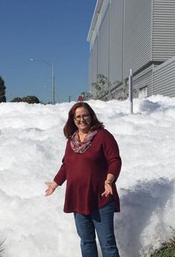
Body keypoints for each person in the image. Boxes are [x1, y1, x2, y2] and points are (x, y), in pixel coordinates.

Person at [45, 102, 122, 257]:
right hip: (78, 199)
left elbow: (115, 160)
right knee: (86, 242)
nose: (81, 119)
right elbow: (67, 165)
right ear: (73, 120)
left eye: (85, 115)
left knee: (108, 245)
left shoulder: (103, 136)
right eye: (77, 117)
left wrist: (109, 181)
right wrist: (55, 183)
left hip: (101, 198)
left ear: (91, 116)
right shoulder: (71, 141)